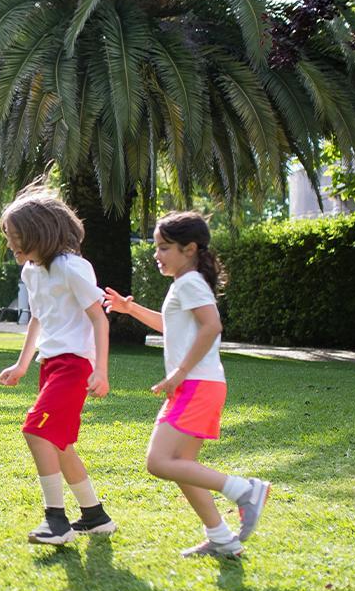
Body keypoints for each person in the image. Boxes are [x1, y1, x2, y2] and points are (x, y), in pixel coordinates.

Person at [104, 211, 270, 558]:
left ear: (189, 249)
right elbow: (172, 325)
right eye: (157, 247)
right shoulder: (186, 284)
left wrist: (179, 372)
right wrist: (129, 310)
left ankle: (244, 490)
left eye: (164, 248)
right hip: (198, 386)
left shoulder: (190, 282)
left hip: (196, 385)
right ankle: (222, 538)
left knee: (159, 462)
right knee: (183, 467)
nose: (157, 254)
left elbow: (212, 327)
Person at [0, 191, 116, 545]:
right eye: (9, 238)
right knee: (59, 443)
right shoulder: (31, 271)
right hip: (50, 363)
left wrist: (101, 370)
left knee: (36, 431)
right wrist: (22, 365)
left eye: (16, 238)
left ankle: (56, 521)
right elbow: (37, 317)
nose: (12, 245)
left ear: (40, 232)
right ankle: (95, 517)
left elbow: (99, 318)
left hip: (75, 364)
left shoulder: (71, 267)